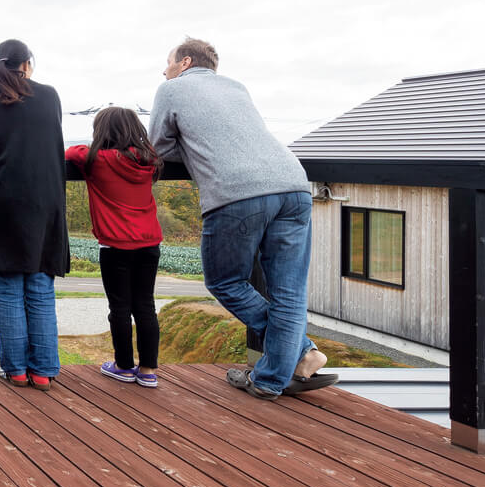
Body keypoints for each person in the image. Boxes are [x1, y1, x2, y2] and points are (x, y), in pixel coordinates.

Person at [149, 37, 336, 398]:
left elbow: (158, 147)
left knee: (225, 280)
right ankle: (280, 371)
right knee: (289, 291)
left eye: (168, 62)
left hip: (238, 192)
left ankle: (298, 353)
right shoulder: (237, 87)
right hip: (295, 185)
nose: (164, 69)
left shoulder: (171, 89)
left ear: (185, 62)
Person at [0, 39, 69, 389]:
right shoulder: (49, 95)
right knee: (39, 286)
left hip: (2, 200)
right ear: (28, 65)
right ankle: (44, 371)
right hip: (45, 201)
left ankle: (16, 370)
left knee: (8, 289)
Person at [67, 107, 164, 388]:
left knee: (120, 307)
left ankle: (123, 366)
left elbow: (70, 153)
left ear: (102, 132)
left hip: (114, 245)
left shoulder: (95, 159)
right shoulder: (150, 160)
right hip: (149, 242)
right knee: (145, 305)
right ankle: (147, 371)